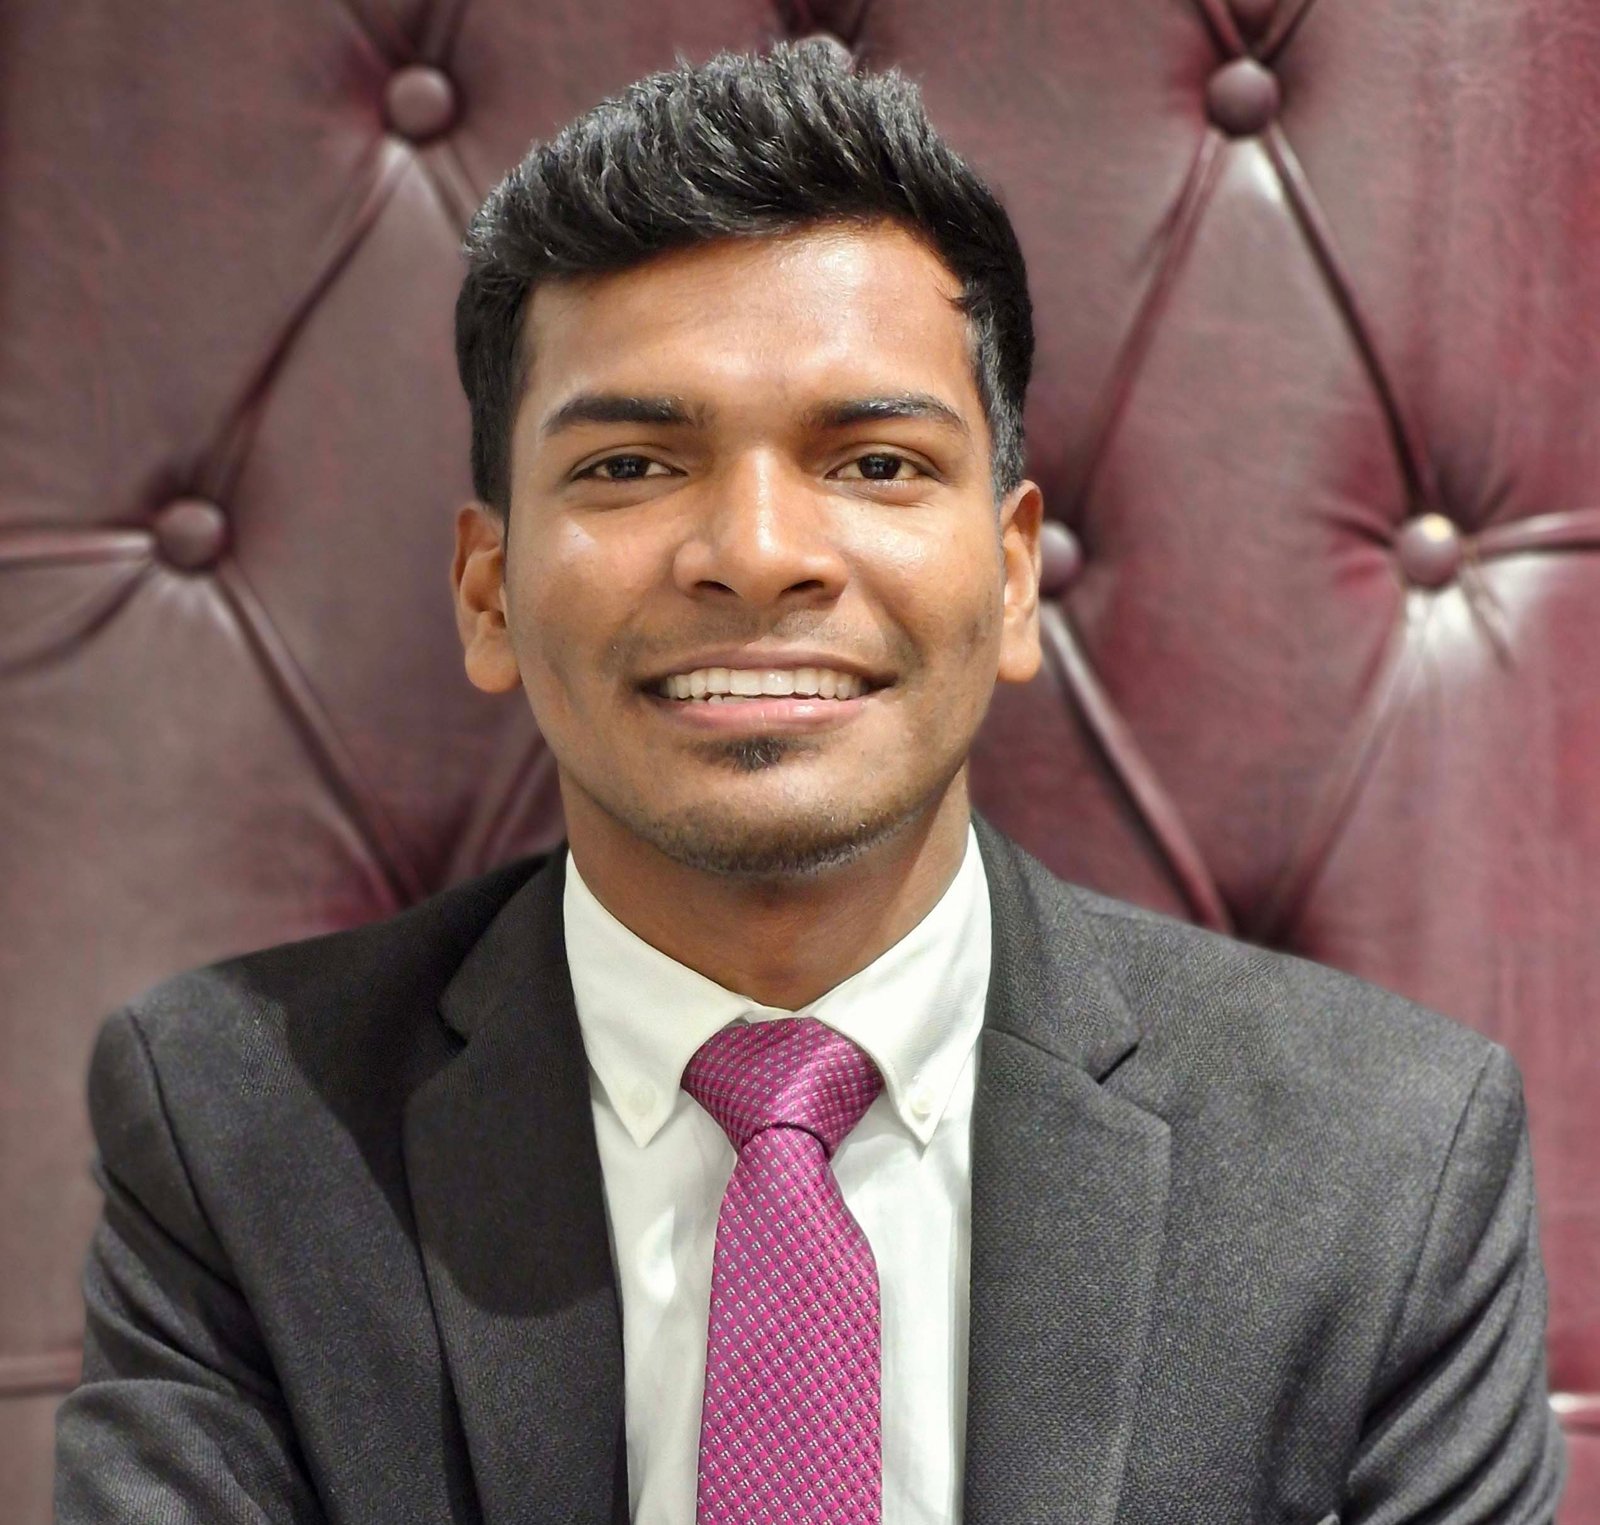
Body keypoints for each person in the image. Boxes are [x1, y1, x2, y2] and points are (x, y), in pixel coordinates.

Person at [55, 41, 1563, 1525]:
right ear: (489, 594)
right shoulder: (233, 1127)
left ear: (1014, 575)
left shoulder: (1386, 1158)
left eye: (877, 463)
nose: (760, 552)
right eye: (631, 466)